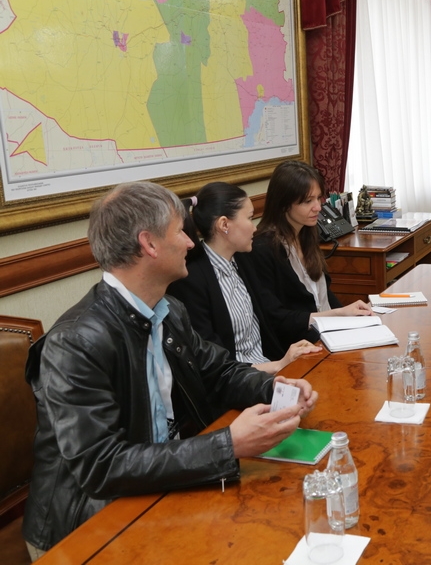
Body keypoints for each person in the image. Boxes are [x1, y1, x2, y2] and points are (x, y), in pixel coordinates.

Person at [22, 182, 318, 557]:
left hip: (161, 485)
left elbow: (220, 372)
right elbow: (101, 466)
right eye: (180, 231)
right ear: (149, 244)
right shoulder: (75, 342)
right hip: (88, 525)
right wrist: (227, 444)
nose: (191, 243)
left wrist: (275, 389)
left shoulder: (169, 311)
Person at [167, 182, 323, 374]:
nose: (255, 228)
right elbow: (213, 365)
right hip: (239, 380)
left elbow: (273, 317)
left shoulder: (244, 260)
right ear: (224, 224)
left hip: (268, 368)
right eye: (249, 218)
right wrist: (280, 364)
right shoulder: (192, 280)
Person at [242, 161, 372, 353]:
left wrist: (352, 316)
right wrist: (339, 314)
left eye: (319, 198)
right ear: (284, 204)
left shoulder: (306, 234)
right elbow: (275, 318)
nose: (318, 207)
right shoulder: (262, 249)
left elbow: (322, 295)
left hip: (328, 336)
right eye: (307, 201)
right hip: (298, 347)